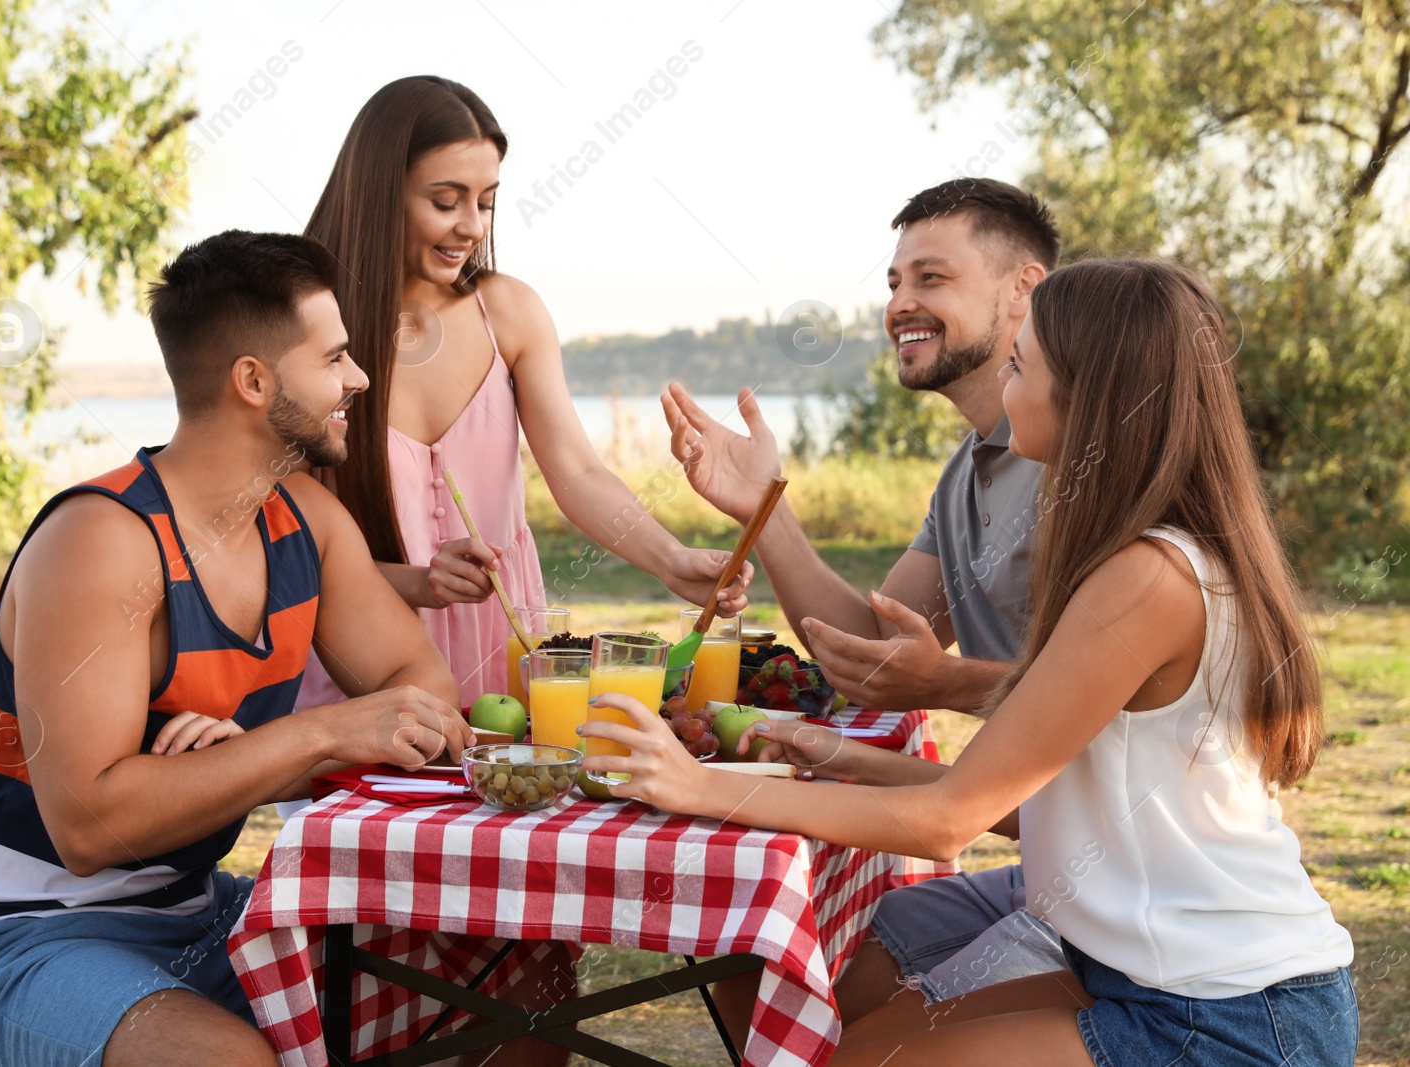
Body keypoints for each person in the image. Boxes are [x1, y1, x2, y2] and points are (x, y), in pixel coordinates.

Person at [585, 257, 1358, 1065]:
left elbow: (949, 819)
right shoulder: (1140, 556)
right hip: (1147, 975)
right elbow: (1034, 804)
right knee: (849, 1046)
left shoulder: (1147, 578)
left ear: (1088, 399)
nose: (1006, 388)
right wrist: (833, 751)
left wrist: (697, 785)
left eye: (1022, 365)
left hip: (1228, 1015)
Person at [0, 231, 515, 1067]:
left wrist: (237, 765)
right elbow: (90, 825)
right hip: (15, 938)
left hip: (194, 913)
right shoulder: (104, 542)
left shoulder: (306, 520)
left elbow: (423, 696)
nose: (359, 378)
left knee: (512, 965)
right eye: (334, 356)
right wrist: (307, 739)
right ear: (254, 381)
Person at [666, 179, 1069, 1028]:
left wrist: (943, 683)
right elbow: (864, 648)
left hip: (1111, 879)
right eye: (893, 283)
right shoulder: (969, 469)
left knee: (852, 1026)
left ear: (1022, 290)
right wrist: (765, 508)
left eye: (931, 278)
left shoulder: (1084, 465)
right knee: (763, 960)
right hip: (1046, 860)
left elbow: (1108, 691)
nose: (899, 305)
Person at [298, 75, 749, 710]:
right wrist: (417, 581)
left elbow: (578, 471)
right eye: (446, 200)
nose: (470, 228)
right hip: (363, 646)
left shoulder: (508, 312)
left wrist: (670, 561)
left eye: (484, 202)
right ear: (380, 194)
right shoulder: (312, 327)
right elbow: (286, 537)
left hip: (501, 637)